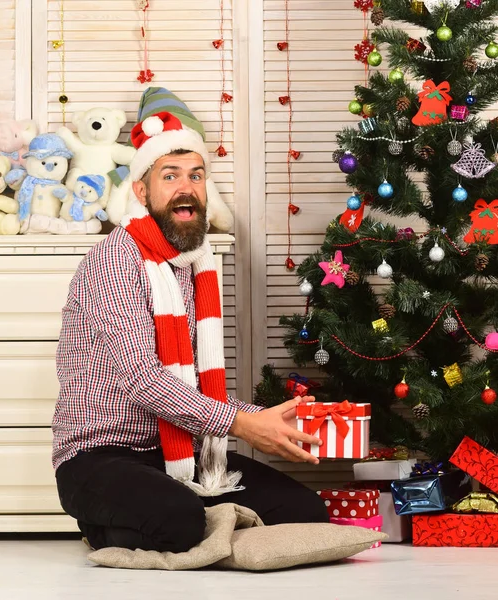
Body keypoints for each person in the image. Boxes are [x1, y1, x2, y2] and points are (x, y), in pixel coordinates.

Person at [52, 98, 329, 554]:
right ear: (141, 192)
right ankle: (106, 524)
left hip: (182, 451)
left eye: (195, 176)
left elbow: (198, 386)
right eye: (170, 175)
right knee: (180, 522)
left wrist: (266, 418)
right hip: (99, 457)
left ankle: (185, 513)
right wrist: (242, 423)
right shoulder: (114, 261)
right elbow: (144, 381)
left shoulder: (194, 265)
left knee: (305, 512)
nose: (186, 188)